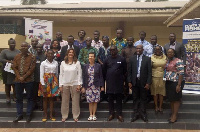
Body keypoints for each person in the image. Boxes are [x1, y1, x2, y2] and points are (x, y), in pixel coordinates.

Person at [12, 42, 36, 123]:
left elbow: (32, 69)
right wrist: (19, 77)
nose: (23, 47)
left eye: (25, 46)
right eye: (22, 46)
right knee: (19, 98)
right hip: (18, 81)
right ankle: (19, 114)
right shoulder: (16, 56)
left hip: (29, 81)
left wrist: (24, 77)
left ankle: (28, 115)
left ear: (27, 47)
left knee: (30, 98)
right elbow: (14, 68)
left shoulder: (32, 57)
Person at [128, 44, 152, 122]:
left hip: (143, 82)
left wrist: (148, 83)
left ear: (143, 49)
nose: (138, 50)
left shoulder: (147, 59)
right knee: (135, 98)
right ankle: (135, 114)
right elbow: (129, 72)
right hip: (134, 82)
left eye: (140, 48)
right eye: (137, 48)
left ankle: (143, 114)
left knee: (143, 98)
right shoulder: (132, 59)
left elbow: (149, 72)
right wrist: (129, 81)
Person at [103, 45, 127, 122]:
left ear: (117, 50)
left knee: (119, 99)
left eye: (114, 50)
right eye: (111, 50)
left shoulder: (122, 59)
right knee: (110, 99)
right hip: (110, 83)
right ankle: (111, 114)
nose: (112, 51)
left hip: (119, 82)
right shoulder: (107, 60)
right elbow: (104, 71)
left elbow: (125, 70)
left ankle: (119, 114)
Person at [59, 48, 82, 122]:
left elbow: (79, 74)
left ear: (74, 54)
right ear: (67, 54)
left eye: (72, 52)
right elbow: (61, 75)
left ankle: (75, 116)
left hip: (75, 83)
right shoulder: (63, 63)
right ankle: (64, 116)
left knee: (75, 101)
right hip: (65, 84)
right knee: (64, 101)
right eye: (69, 52)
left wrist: (79, 84)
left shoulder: (77, 63)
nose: (71, 53)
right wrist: (60, 85)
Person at [82, 52, 104, 121]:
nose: (90, 57)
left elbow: (101, 76)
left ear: (94, 58)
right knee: (90, 101)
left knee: (95, 101)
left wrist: (102, 86)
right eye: (89, 56)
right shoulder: (85, 66)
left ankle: (94, 114)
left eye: (92, 56)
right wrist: (83, 86)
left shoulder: (98, 66)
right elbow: (84, 77)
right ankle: (90, 114)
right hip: (88, 86)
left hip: (96, 86)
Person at [38, 49, 60, 122]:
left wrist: (57, 83)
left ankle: (51, 115)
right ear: (46, 54)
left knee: (51, 99)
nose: (50, 55)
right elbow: (41, 75)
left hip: (53, 81)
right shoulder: (43, 63)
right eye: (49, 54)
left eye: (52, 54)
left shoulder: (56, 63)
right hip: (45, 81)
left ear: (54, 55)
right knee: (45, 99)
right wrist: (43, 85)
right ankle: (45, 115)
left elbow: (56, 73)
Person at [164, 48, 184, 123]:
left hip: (175, 82)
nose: (169, 54)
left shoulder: (178, 61)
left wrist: (179, 85)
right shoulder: (168, 61)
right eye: (168, 52)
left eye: (171, 52)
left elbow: (181, 73)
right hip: (169, 82)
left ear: (174, 53)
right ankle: (172, 114)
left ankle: (175, 116)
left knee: (175, 100)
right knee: (171, 99)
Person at [0, 38, 20, 104]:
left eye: (14, 43)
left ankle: (15, 96)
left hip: (15, 70)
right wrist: (9, 62)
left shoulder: (18, 51)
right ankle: (8, 97)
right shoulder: (4, 51)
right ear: (8, 44)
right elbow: (1, 59)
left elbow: (20, 59)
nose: (12, 45)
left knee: (15, 84)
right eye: (11, 43)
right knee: (7, 84)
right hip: (6, 70)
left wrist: (15, 63)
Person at [151, 45, 167, 114]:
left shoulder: (165, 57)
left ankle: (160, 106)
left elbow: (167, 66)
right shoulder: (151, 57)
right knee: (155, 92)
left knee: (161, 92)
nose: (157, 51)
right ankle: (156, 106)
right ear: (154, 50)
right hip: (154, 76)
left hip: (162, 76)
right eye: (156, 49)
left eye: (159, 49)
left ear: (161, 50)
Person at [121, 36, 136, 103]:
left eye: (131, 40)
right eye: (128, 40)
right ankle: (126, 96)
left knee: (134, 83)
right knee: (126, 84)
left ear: (133, 41)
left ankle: (134, 96)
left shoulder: (135, 49)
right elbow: (122, 59)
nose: (129, 41)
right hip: (126, 68)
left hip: (134, 69)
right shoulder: (124, 49)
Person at [33, 44, 46, 111]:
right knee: (35, 92)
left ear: (42, 48)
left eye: (40, 47)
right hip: (34, 78)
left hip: (42, 78)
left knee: (41, 93)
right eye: (37, 47)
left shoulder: (44, 57)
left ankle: (41, 105)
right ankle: (35, 105)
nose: (39, 48)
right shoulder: (33, 56)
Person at [98, 36, 110, 102]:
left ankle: (108, 96)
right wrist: (102, 64)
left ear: (108, 40)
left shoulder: (111, 48)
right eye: (103, 40)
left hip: (109, 67)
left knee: (108, 81)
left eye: (105, 40)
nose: (104, 41)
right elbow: (98, 58)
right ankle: (102, 96)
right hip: (102, 67)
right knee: (101, 81)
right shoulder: (100, 48)